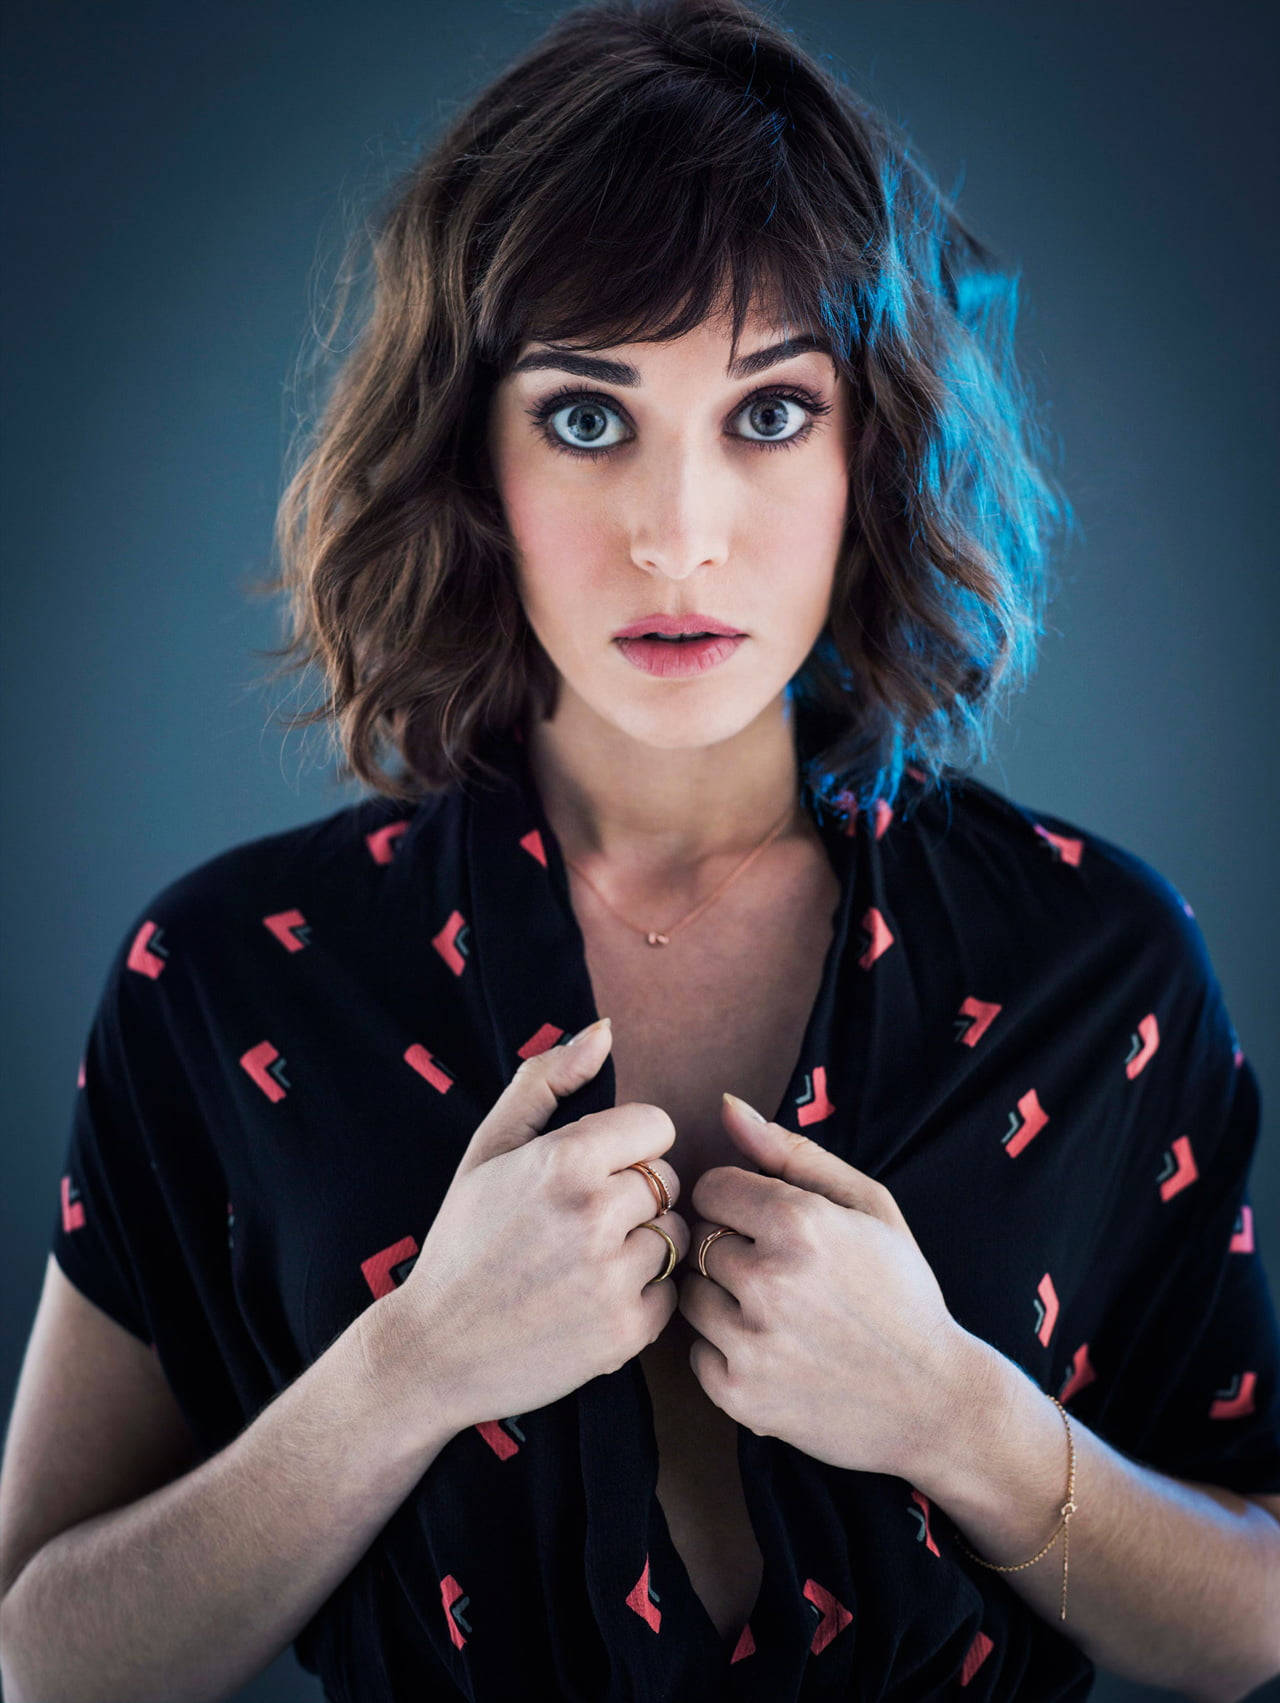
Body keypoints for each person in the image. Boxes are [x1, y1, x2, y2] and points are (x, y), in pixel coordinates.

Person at [3, 1, 1279, 1699]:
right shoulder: (227, 976)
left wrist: (957, 1418)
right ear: (473, 455)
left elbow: (1252, 1623)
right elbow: (46, 1660)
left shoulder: (1096, 962)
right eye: (590, 418)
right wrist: (406, 1369)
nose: (680, 538)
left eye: (771, 413)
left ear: (873, 449)